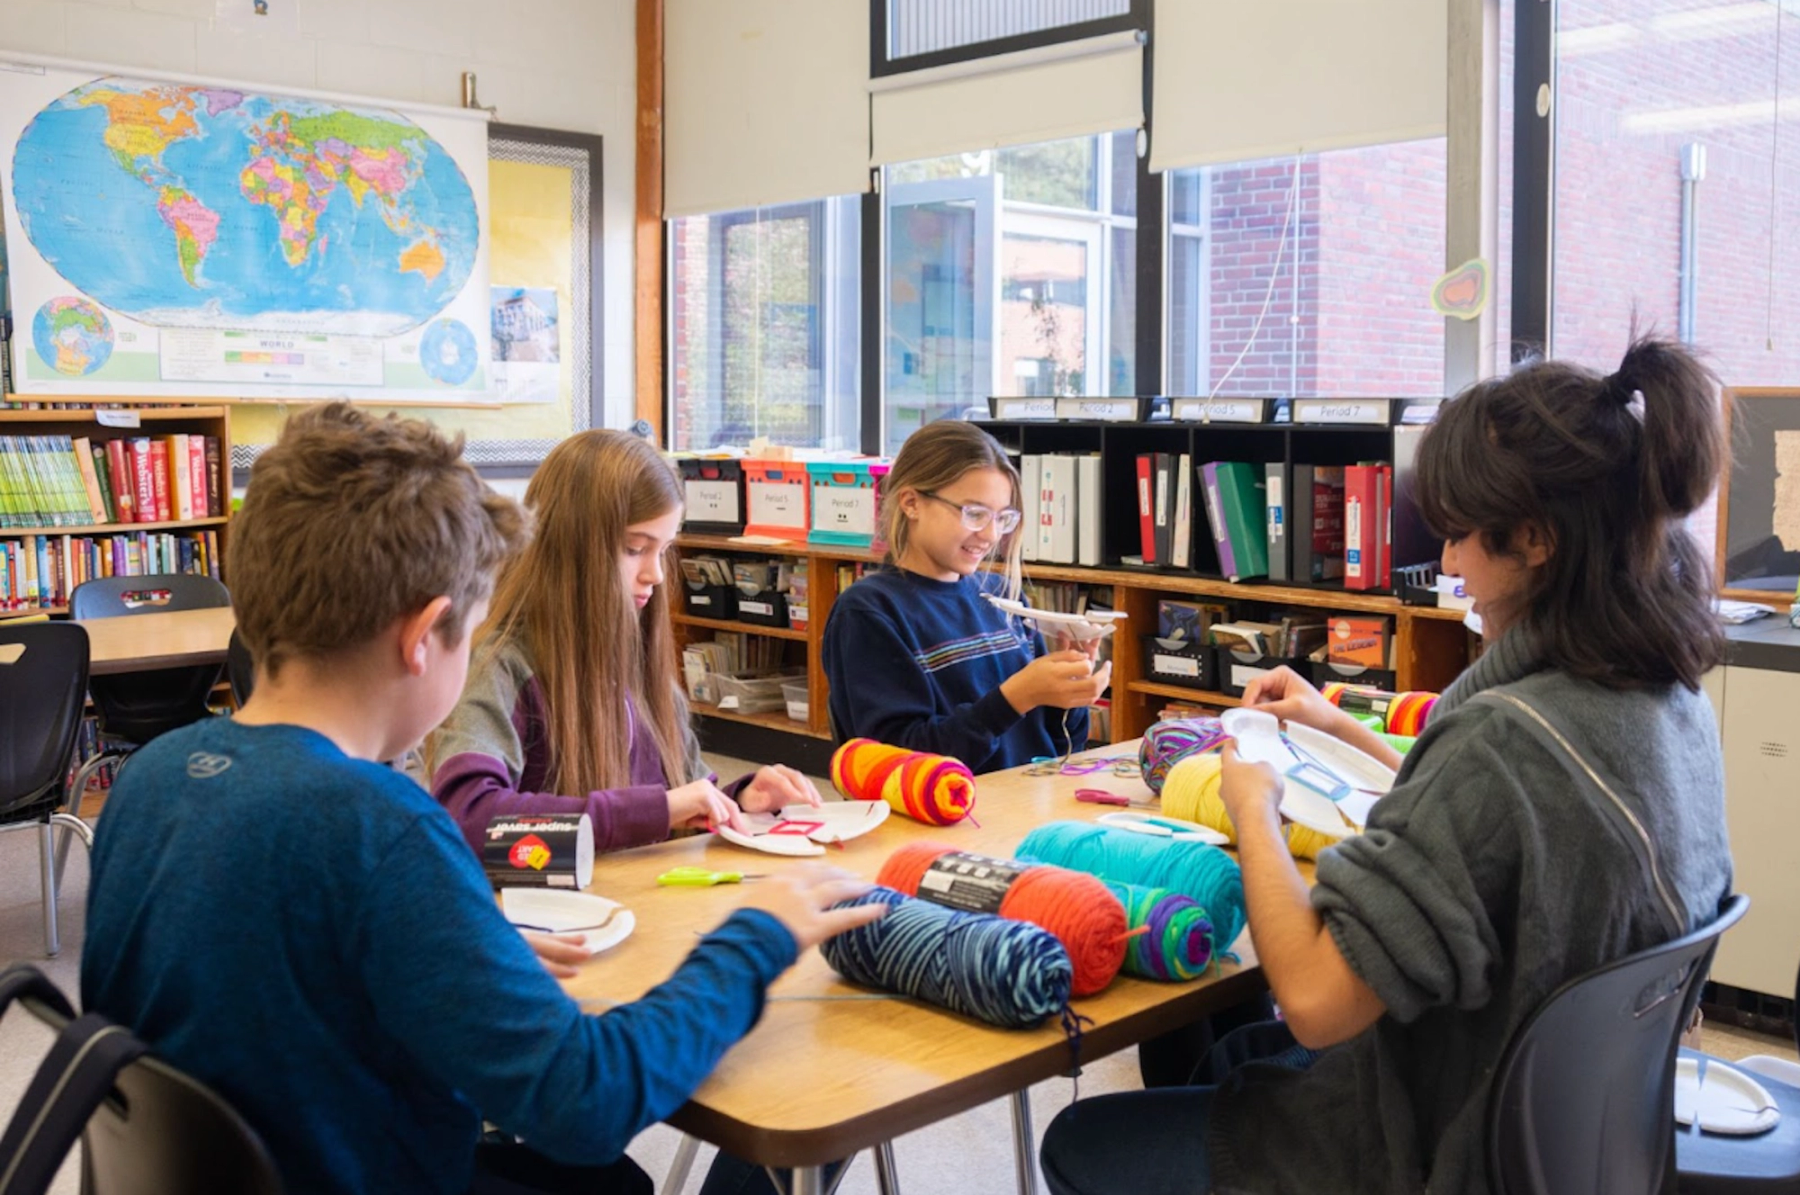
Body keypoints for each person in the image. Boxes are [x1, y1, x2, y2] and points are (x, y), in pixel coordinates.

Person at [82, 404, 884, 1195]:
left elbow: (258, 975)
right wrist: (756, 938)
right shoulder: (385, 831)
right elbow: (586, 1102)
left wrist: (447, 937)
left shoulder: (152, 777)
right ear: (425, 634)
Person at [1039, 334, 1735, 1194]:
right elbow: (1494, 812)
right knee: (1224, 1052)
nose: (1445, 564)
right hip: (1551, 1132)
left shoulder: (1504, 743)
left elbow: (1319, 1002)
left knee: (1087, 1137)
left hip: (1431, 1150)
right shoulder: (1664, 701)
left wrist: (1252, 806)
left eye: (1460, 537)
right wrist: (1339, 726)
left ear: (1536, 538)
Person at [427, 429, 822, 868]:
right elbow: (466, 820)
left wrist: (740, 797)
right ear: (571, 550)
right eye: (635, 549)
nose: (655, 574)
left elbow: (682, 796)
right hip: (554, 923)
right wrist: (654, 811)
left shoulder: (638, 666)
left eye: (665, 550)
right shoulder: (499, 665)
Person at [822, 419, 1110, 772]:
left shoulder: (1001, 595)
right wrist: (1016, 697)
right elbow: (897, 765)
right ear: (911, 503)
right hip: (948, 819)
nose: (990, 535)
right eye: (974, 514)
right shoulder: (868, 611)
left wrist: (1069, 694)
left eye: (1002, 517)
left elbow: (1057, 743)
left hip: (1026, 802)